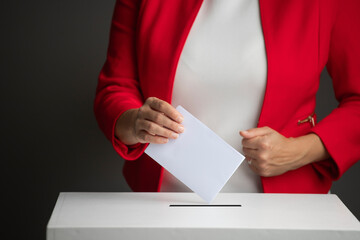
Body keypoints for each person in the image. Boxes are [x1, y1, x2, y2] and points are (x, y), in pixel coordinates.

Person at [94, 0, 360, 193]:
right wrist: (136, 123)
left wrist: (299, 151)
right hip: (161, 205)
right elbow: (115, 87)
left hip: (286, 206)